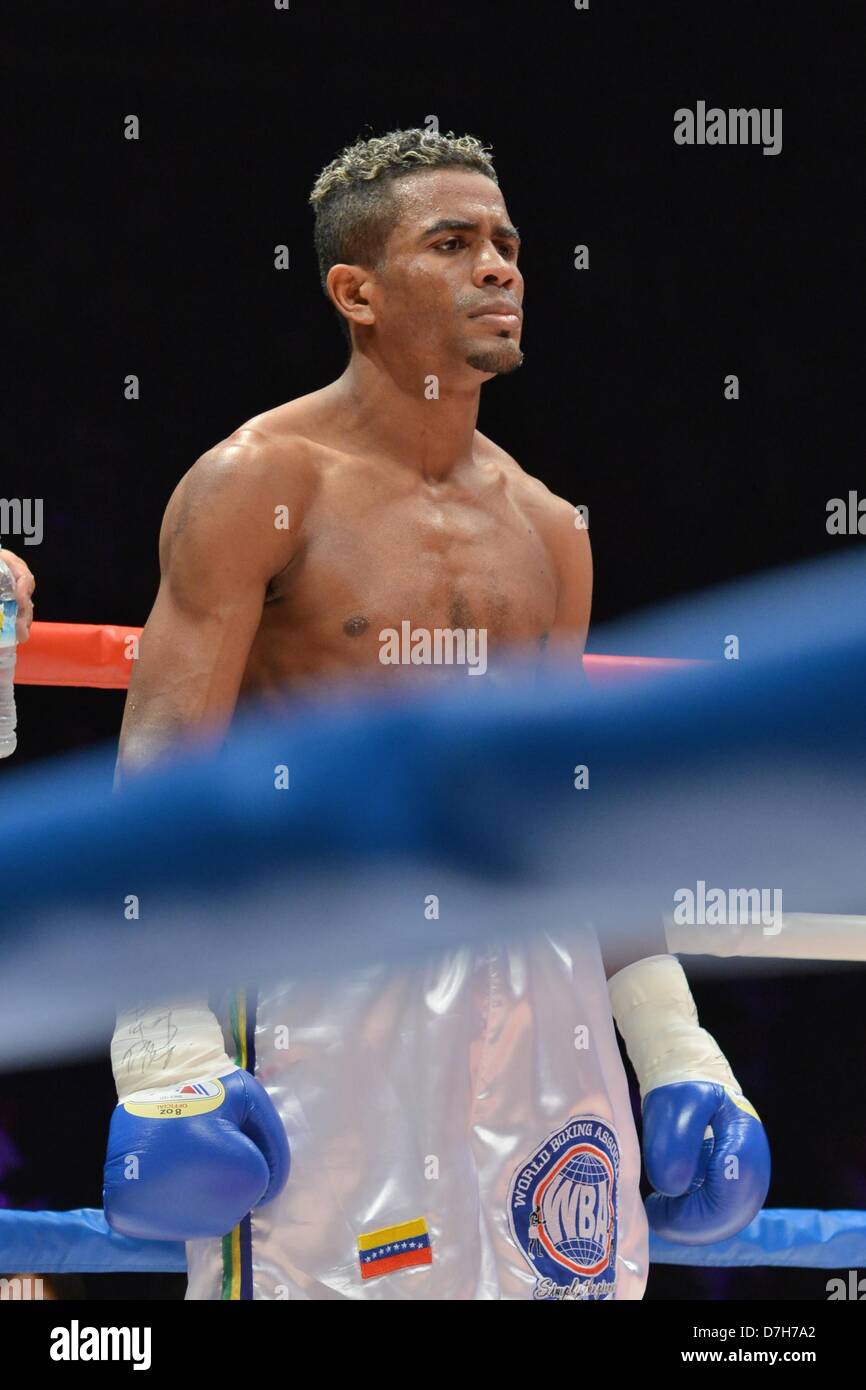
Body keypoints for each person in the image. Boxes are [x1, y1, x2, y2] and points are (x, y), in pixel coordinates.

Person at [59, 128, 769, 1299]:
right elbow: (162, 761)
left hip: (531, 1001)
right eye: (452, 243)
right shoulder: (262, 482)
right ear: (357, 292)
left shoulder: (548, 526)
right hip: (317, 977)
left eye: (506, 243)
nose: (500, 267)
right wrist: (163, 1042)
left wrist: (675, 1048)